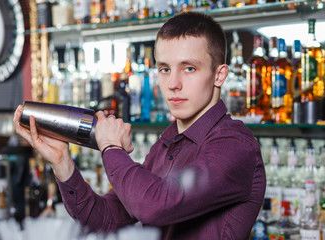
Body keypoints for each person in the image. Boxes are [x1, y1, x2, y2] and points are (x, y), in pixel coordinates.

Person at [14, 12, 266, 239]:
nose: (173, 83)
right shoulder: (166, 146)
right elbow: (106, 222)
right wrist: (62, 163)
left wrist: (111, 147)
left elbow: (158, 206)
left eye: (189, 68)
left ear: (219, 75)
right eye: (165, 69)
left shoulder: (234, 145)